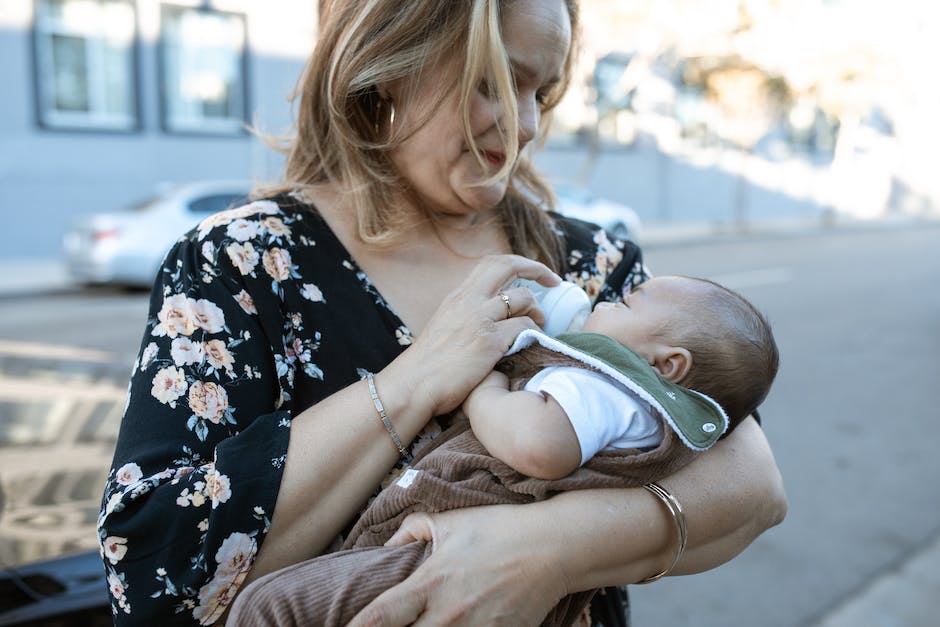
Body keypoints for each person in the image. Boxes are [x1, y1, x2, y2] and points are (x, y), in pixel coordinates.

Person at [96, 1, 787, 625]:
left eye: (540, 91)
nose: (524, 124)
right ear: (388, 61)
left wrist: (545, 550)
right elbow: (159, 578)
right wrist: (418, 375)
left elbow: (752, 486)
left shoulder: (592, 264)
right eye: (493, 81)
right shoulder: (242, 261)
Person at [224, 274, 779, 626]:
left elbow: (540, 446)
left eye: (625, 301)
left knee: (269, 608)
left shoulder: (603, 385)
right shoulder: (647, 403)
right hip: (439, 557)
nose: (604, 299)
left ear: (667, 365)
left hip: (438, 554)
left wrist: (487, 386)